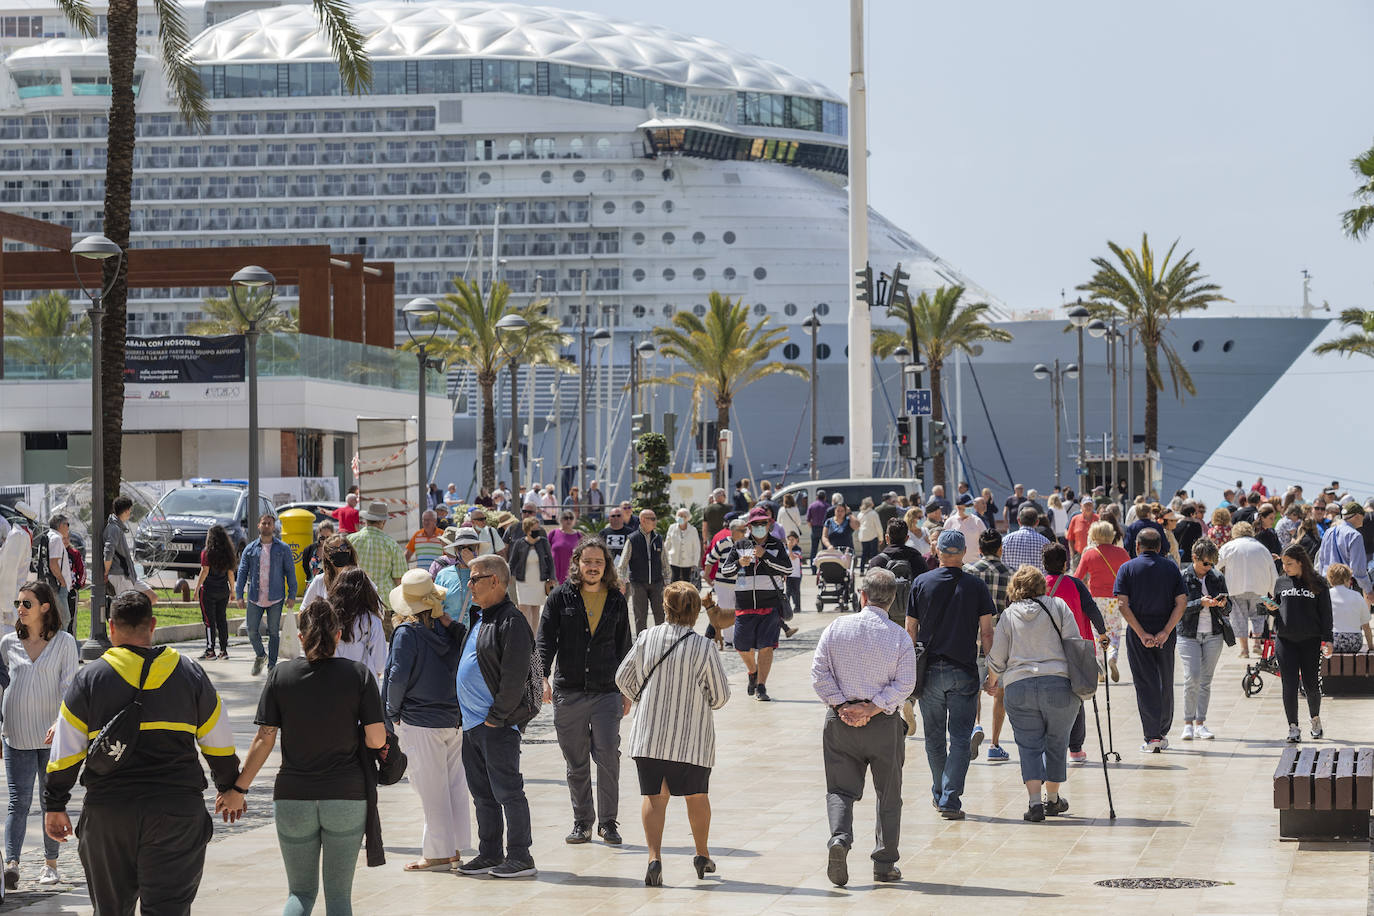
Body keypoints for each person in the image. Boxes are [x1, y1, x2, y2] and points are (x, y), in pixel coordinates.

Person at [43, 590, 243, 914]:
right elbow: (219, 742)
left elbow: (65, 752)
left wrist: (55, 805)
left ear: (110, 628)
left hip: (109, 815)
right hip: (177, 814)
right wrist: (230, 787)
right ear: (152, 625)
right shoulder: (190, 673)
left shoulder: (89, 679)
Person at [234, 598, 387, 912]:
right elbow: (376, 739)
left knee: (300, 894)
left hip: (294, 796)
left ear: (300, 637)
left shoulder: (280, 677)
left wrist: (238, 789)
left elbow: (264, 739)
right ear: (338, 634)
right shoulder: (358, 675)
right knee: (339, 898)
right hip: (346, 796)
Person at [615, 581, 729, 887]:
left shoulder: (646, 637)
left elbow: (622, 678)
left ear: (665, 608)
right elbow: (719, 696)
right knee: (697, 796)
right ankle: (702, 855)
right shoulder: (703, 646)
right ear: (694, 612)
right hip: (691, 738)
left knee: (654, 796)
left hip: (648, 735)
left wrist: (643, 696)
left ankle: (654, 859)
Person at [811, 568, 915, 886]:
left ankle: (839, 840)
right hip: (883, 723)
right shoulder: (898, 636)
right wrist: (872, 707)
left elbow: (819, 673)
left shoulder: (836, 627)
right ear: (893, 599)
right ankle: (884, 863)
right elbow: (906, 682)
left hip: (840, 723)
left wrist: (843, 705)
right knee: (888, 794)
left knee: (840, 790)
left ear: (862, 595)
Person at [537, 537, 633, 847]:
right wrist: (542, 678)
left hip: (607, 691)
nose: (593, 567)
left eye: (599, 562)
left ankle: (608, 823)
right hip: (570, 692)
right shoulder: (559, 598)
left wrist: (627, 688)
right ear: (577, 562)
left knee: (608, 757)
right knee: (576, 762)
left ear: (606, 567)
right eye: (587, 561)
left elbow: (625, 648)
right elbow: (544, 643)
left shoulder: (617, 599)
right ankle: (582, 822)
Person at [454, 556, 539, 879]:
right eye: (470, 579)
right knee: (483, 794)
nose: (470, 585)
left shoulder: (511, 620)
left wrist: (497, 717)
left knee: (508, 791)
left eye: (476, 579)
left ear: (497, 582)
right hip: (473, 725)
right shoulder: (481, 617)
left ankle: (520, 855)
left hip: (496, 725)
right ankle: (489, 853)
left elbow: (514, 677)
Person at [382, 570, 471, 872]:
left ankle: (436, 855)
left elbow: (397, 678)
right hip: (452, 717)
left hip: (421, 720)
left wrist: (391, 712)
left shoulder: (407, 634)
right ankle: (453, 849)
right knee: (454, 786)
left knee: (431, 790)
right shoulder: (448, 629)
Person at [985, 566, 1083, 822]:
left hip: (1020, 687)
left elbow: (997, 656)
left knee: (1028, 745)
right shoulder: (1059, 606)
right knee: (1057, 741)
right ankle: (1052, 800)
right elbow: (1074, 642)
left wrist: (992, 680)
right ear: (1042, 586)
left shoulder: (1008, 614)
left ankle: (1034, 803)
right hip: (1059, 684)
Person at [909, 530, 995, 818]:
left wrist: (906, 670)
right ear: (963, 552)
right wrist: (992, 669)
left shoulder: (921, 582)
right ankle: (949, 797)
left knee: (933, 738)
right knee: (960, 737)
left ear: (938, 551)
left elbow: (911, 630)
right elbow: (986, 632)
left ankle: (940, 791)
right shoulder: (976, 586)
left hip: (929, 670)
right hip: (963, 669)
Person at [3, 582, 75, 888]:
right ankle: (11, 864)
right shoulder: (7, 644)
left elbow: (69, 690)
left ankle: (50, 864)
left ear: (45, 607)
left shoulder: (65, 643)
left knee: (51, 802)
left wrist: (61, 723)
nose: (21, 609)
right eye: (19, 603)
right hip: (15, 734)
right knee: (18, 802)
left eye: (27, 604)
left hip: (51, 738)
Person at [1113, 528, 1187, 752]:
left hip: (1138, 631)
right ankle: (1162, 731)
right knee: (1165, 679)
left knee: (1145, 683)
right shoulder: (1171, 567)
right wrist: (1165, 631)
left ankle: (1152, 736)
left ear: (1137, 546)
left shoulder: (1127, 568)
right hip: (1166, 629)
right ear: (1159, 547)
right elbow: (1181, 602)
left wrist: (1141, 633)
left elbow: (1122, 604)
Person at [719, 506, 792, 702]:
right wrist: (738, 564)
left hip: (770, 604)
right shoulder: (740, 544)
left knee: (767, 647)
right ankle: (753, 671)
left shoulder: (776, 545)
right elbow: (725, 571)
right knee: (741, 646)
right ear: (749, 526)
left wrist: (764, 555)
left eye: (763, 523)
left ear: (769, 524)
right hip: (744, 604)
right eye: (756, 524)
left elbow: (788, 568)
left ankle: (761, 686)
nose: (760, 526)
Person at [1042, 543, 1106, 765]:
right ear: (1066, 563)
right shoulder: (1076, 584)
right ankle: (1076, 749)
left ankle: (1049, 745)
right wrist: (1103, 633)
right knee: (1076, 696)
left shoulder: (1038, 585)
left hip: (1045, 649)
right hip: (1075, 648)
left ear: (1043, 563)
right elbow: (1092, 610)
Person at [1274, 545, 1334, 742]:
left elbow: (1326, 614)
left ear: (1300, 562)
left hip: (1311, 641)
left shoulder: (1318, 582)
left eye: (1289, 563)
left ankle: (1315, 719)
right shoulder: (1281, 582)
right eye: (1283, 563)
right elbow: (1277, 610)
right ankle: (1293, 727)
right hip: (1285, 640)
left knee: (1310, 684)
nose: (1286, 567)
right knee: (1288, 685)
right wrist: (1269, 608)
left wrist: (1328, 639)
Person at [964, 530, 1015, 763]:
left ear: (981, 549)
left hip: (972, 639)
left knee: (973, 689)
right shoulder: (1012, 575)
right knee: (1000, 694)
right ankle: (994, 744)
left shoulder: (970, 572)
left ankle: (975, 726)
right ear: (1000, 549)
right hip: (1002, 644)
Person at [1178, 539, 1230, 741]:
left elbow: (1229, 607)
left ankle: (1200, 723)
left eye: (1212, 564)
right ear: (1194, 558)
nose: (1209, 568)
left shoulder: (1217, 577)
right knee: (1192, 677)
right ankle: (1187, 723)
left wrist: (1223, 604)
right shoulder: (1182, 577)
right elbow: (1178, 607)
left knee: (1205, 681)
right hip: (1188, 634)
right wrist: (1200, 603)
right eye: (1205, 563)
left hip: (1213, 634)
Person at [236, 512, 298, 677]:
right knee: (251, 630)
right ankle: (261, 655)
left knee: (272, 632)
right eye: (263, 523)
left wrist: (292, 594)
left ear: (274, 526)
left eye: (269, 523)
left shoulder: (283, 549)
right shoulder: (250, 549)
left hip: (275, 597)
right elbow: (242, 572)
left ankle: (272, 665)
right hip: (255, 597)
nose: (266, 526)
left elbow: (290, 572)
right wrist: (239, 594)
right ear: (258, 525)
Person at [1074, 520, 1131, 682]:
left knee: (1097, 631)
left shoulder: (1089, 554)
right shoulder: (1121, 553)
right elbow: (1129, 575)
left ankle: (1100, 668)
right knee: (1114, 631)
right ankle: (1112, 657)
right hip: (1114, 598)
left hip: (1095, 599)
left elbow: (1077, 577)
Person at [1217, 521, 1278, 658]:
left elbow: (1216, 564)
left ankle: (1244, 650)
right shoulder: (1262, 548)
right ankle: (1256, 643)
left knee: (1239, 618)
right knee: (1258, 617)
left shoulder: (1229, 547)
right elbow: (1272, 570)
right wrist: (1274, 591)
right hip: (1259, 588)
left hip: (1236, 588)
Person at [329, 568, 388, 679]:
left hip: (335, 677)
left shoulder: (329, 617)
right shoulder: (372, 619)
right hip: (364, 677)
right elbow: (379, 657)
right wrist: (377, 671)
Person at [349, 501, 409, 613]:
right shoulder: (391, 544)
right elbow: (399, 580)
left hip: (355, 601)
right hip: (383, 603)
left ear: (366, 520)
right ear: (383, 521)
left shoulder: (350, 540)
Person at [618, 509, 667, 633]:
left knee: (660, 615)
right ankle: (642, 644)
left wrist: (668, 582)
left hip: (657, 583)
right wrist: (622, 582)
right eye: (653, 519)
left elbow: (665, 562)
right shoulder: (632, 539)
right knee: (640, 617)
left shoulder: (658, 539)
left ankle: (660, 640)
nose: (655, 521)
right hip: (638, 584)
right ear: (643, 520)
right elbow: (622, 564)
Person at [103, 496, 156, 606]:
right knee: (126, 607)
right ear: (127, 510)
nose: (130, 512)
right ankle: (125, 621)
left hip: (129, 575)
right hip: (120, 575)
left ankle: (137, 619)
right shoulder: (114, 528)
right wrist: (106, 571)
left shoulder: (117, 527)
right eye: (130, 510)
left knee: (152, 596)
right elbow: (108, 551)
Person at [195, 525, 237, 661]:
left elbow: (205, 571)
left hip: (208, 591)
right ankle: (223, 650)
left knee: (209, 621)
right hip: (223, 591)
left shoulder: (206, 552)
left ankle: (210, 650)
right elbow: (230, 573)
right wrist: (232, 590)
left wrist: (196, 589)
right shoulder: (228, 553)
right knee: (221, 620)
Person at [509, 517, 556, 635]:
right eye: (533, 529)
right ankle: (525, 635)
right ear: (527, 529)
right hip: (522, 581)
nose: (536, 531)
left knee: (535, 610)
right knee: (523, 608)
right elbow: (512, 562)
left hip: (539, 580)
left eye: (537, 529)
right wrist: (508, 576)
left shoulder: (543, 542)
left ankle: (534, 638)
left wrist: (552, 577)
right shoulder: (519, 543)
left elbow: (550, 561)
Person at [1316, 503, 1373, 596]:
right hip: (1345, 586)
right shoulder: (1355, 535)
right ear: (1357, 516)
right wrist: (1368, 590)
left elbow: (1321, 560)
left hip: (1327, 584)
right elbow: (1357, 569)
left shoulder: (1328, 532)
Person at [434, 527, 481, 628]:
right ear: (455, 550)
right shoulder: (444, 575)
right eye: (461, 548)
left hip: (477, 637)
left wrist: (472, 566)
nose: (466, 552)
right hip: (450, 636)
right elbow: (437, 609)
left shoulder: (486, 573)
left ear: (478, 548)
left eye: (470, 547)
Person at [0, 503, 35, 637]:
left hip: (9, 596)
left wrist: (5, 605)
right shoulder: (21, 535)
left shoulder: (17, 535)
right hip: (14, 594)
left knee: (8, 632)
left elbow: (8, 572)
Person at [1326, 564, 1372, 652]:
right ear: (1346, 579)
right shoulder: (1357, 596)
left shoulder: (1326, 596)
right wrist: (1371, 647)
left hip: (1332, 641)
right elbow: (1366, 626)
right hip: (1354, 642)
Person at [39, 515, 72, 630]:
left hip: (49, 584)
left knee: (53, 619)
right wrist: (62, 581)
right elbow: (53, 564)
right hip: (58, 586)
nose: (68, 528)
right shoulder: (56, 539)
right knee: (64, 619)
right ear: (60, 525)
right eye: (67, 524)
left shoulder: (47, 536)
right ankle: (62, 646)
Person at [1003, 505, 1049, 573]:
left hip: (1013, 582)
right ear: (1037, 522)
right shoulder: (1045, 542)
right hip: (1037, 582)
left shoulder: (1005, 540)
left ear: (1019, 521)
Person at [665, 508, 701, 583]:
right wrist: (665, 558)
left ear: (688, 518)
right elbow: (667, 544)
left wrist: (695, 563)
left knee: (686, 581)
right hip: (673, 559)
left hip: (688, 561)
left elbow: (696, 548)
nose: (681, 518)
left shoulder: (693, 530)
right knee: (674, 579)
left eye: (684, 516)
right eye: (679, 515)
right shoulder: (672, 528)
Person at [548, 512, 581, 583]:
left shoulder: (579, 535)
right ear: (560, 520)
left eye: (571, 518)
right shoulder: (553, 533)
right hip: (554, 576)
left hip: (572, 576)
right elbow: (545, 552)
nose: (569, 520)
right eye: (566, 518)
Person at [856, 497, 883, 571]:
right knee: (873, 554)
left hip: (863, 536)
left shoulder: (860, 514)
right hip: (872, 536)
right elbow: (878, 526)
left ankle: (861, 570)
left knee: (864, 553)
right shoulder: (873, 513)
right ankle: (872, 569)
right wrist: (881, 538)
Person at [806, 489, 830, 567]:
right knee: (824, 550)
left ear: (817, 497)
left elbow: (808, 520)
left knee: (814, 550)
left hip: (815, 528)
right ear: (825, 497)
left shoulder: (812, 505)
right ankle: (824, 567)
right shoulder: (827, 506)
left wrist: (812, 527)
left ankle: (813, 568)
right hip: (824, 529)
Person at [785, 532, 804, 619]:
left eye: (793, 540)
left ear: (797, 540)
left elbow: (793, 557)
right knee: (788, 592)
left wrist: (789, 548)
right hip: (788, 574)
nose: (791, 541)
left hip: (797, 575)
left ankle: (798, 607)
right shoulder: (785, 549)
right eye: (789, 539)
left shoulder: (798, 549)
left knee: (796, 591)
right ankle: (787, 608)